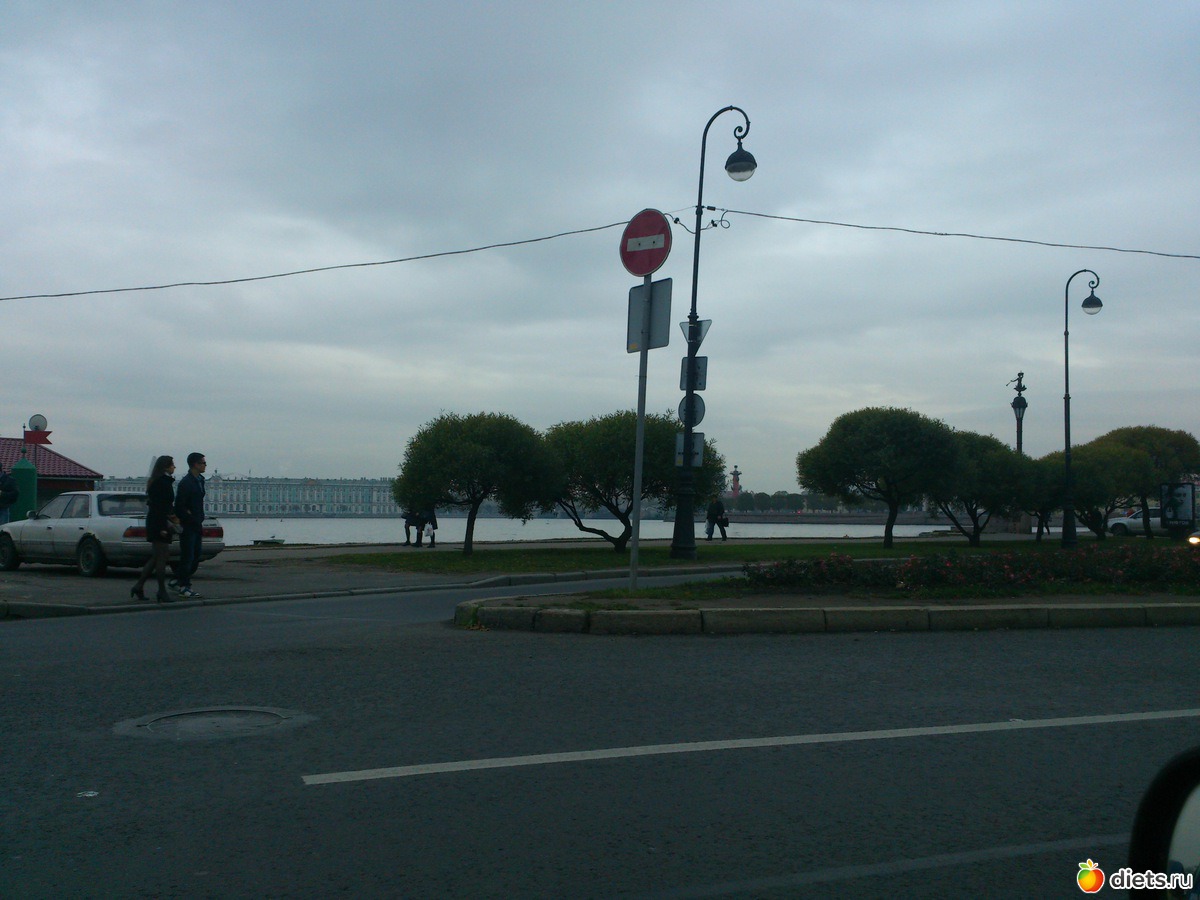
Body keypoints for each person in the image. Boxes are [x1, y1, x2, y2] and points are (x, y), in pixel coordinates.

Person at [131, 456, 178, 603]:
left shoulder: (159, 481)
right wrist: (162, 527)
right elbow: (158, 507)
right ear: (165, 467)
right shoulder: (161, 483)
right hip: (158, 522)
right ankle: (161, 591)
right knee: (162, 557)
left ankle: (138, 586)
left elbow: (162, 505)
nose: (174, 467)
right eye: (172, 465)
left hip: (158, 521)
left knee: (157, 557)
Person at [172, 451, 207, 598]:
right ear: (195, 464)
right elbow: (179, 505)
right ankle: (184, 586)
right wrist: (190, 517)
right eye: (203, 463)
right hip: (188, 524)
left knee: (196, 555)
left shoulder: (200, 480)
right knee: (188, 556)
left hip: (197, 523)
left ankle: (177, 581)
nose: (205, 465)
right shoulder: (186, 483)